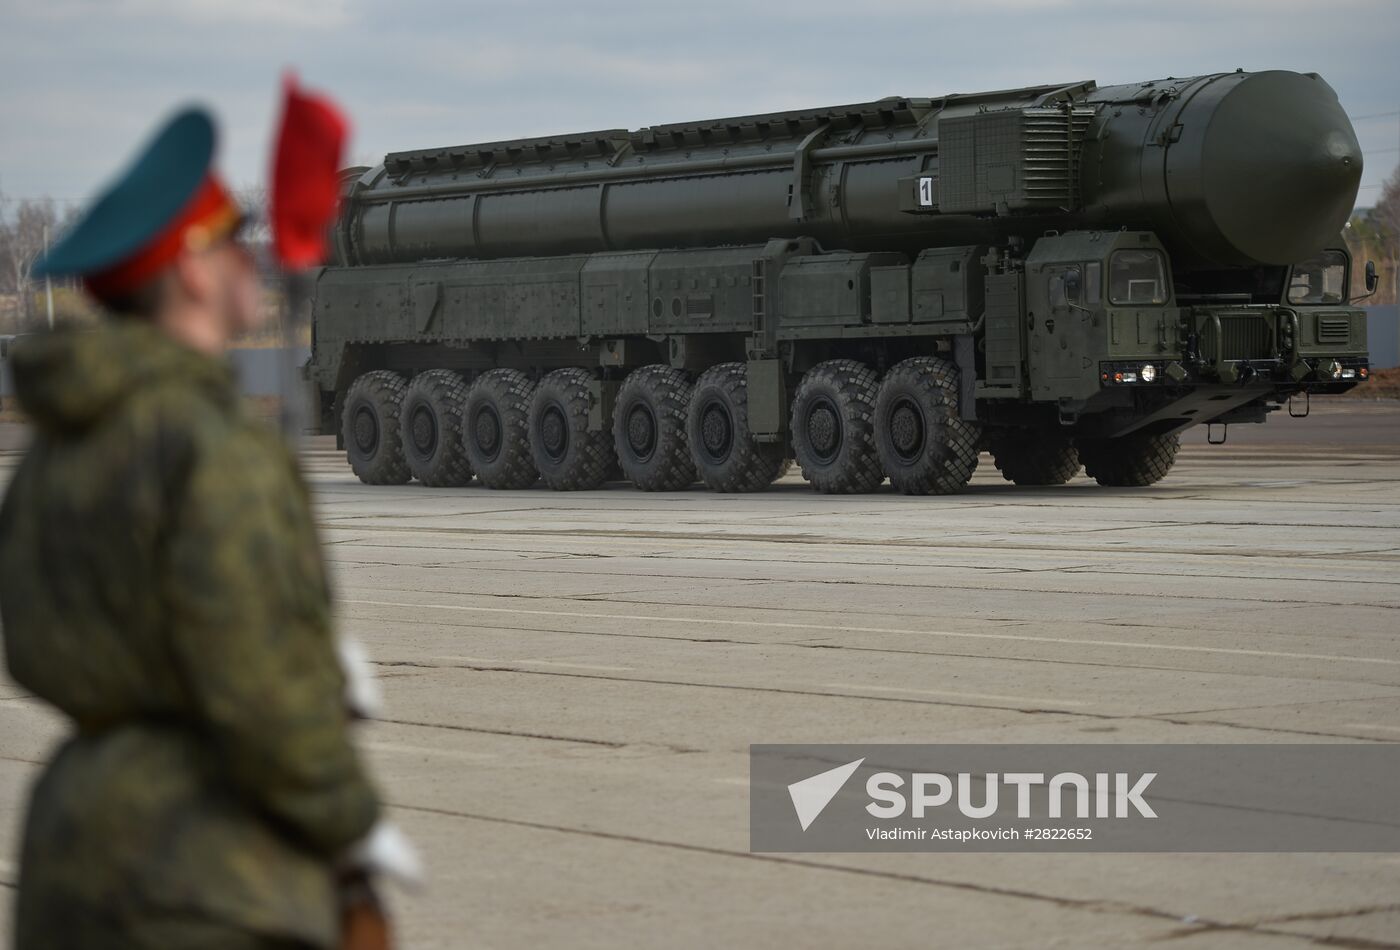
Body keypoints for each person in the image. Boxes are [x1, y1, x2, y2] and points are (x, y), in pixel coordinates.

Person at [0, 107, 392, 949]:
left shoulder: (55, 449)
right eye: (227, 242)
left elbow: (34, 647)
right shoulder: (207, 446)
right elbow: (261, 686)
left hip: (69, 837)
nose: (249, 260)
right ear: (187, 271)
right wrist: (352, 828)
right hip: (204, 868)